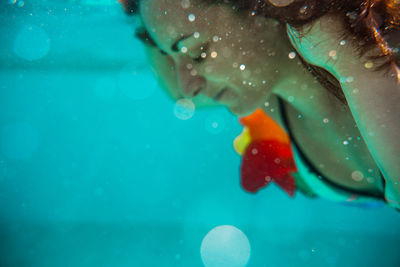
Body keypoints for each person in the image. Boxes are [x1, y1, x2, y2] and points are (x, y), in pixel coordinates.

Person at [120, 0, 400, 211]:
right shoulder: (264, 88)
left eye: (199, 52)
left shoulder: (384, 54)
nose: (188, 86)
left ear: (259, 9)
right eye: (171, 56)